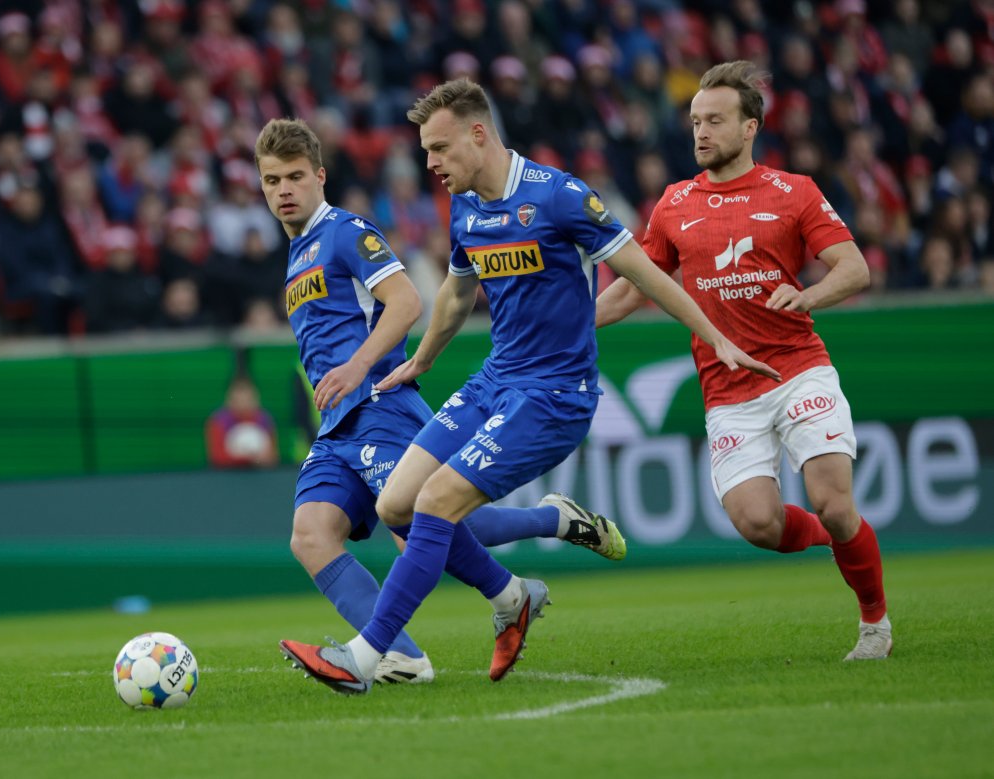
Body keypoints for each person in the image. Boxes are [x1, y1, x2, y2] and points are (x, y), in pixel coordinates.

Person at [279, 79, 778, 694]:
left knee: (435, 503)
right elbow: (457, 293)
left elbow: (645, 274)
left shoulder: (559, 197)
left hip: (554, 394)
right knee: (395, 506)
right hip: (495, 379)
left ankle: (365, 656)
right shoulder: (465, 207)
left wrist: (716, 336)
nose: (429, 163)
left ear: (478, 134)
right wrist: (421, 360)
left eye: (438, 148)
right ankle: (514, 597)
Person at [257, 117, 622, 691]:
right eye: (272, 180)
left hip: (378, 406)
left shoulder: (346, 232)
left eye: (295, 177)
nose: (284, 190)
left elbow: (406, 302)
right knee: (310, 536)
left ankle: (551, 523)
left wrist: (358, 367)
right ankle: (405, 655)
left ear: (320, 177)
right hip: (335, 426)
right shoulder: (298, 253)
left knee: (428, 522)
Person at [596, 61, 889, 661]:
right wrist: (567, 326)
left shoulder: (793, 191)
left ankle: (874, 624)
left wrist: (807, 296)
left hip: (798, 367)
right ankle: (837, 539)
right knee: (757, 524)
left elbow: (854, 268)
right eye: (695, 122)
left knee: (834, 501)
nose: (701, 132)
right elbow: (632, 288)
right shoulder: (674, 203)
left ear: (749, 127)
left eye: (715, 121)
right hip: (727, 389)